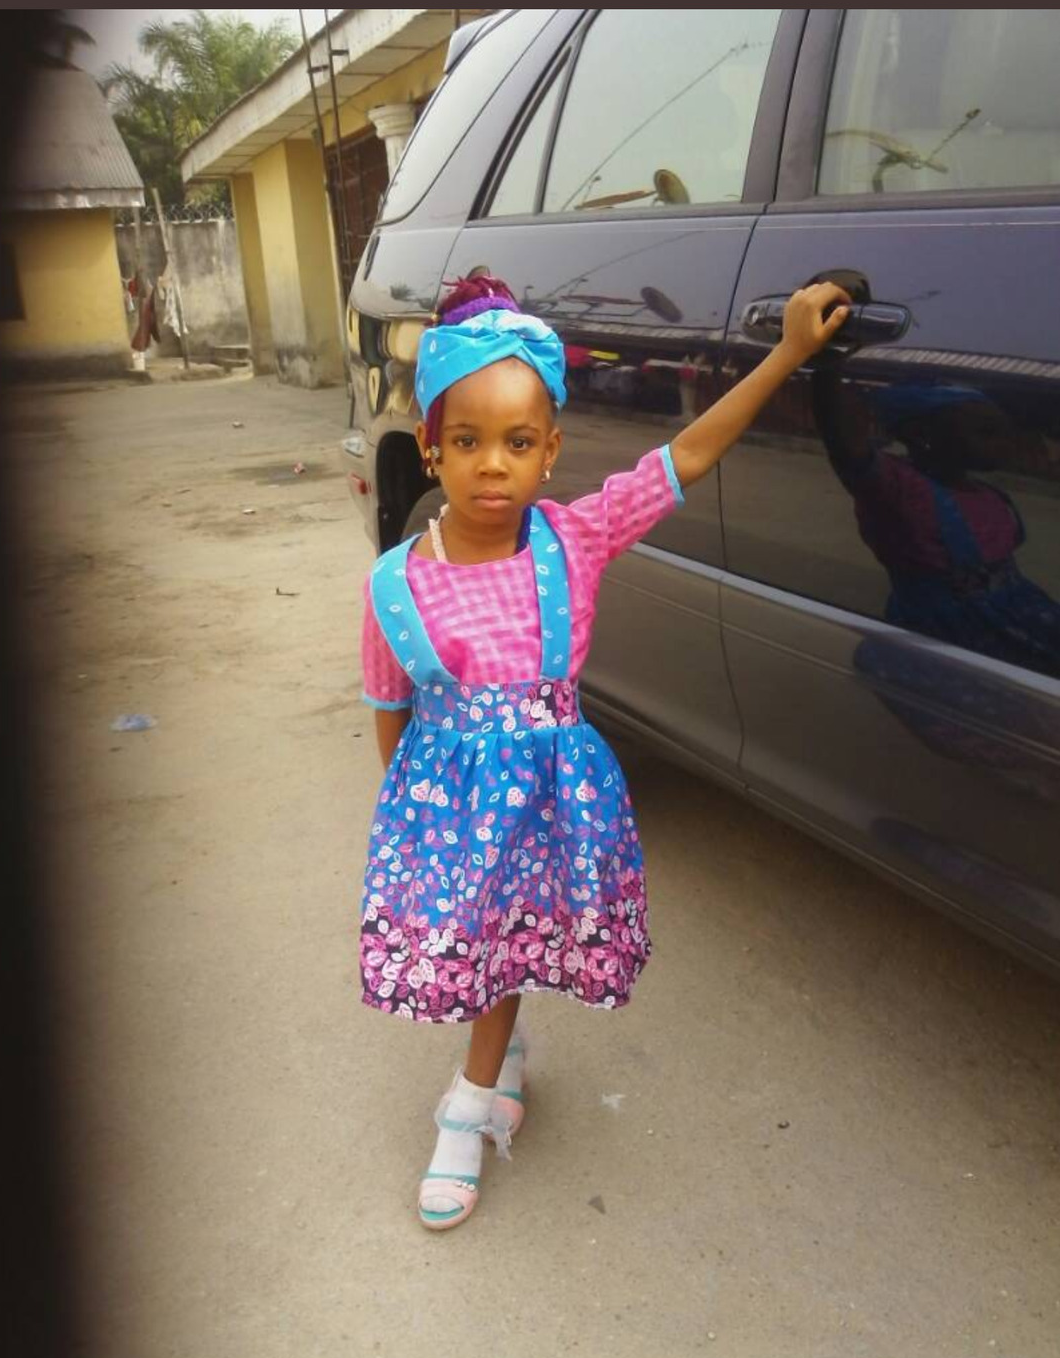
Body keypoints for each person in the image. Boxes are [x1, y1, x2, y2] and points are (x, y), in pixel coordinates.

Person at [360, 273, 850, 1229]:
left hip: (557, 804)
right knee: (484, 949)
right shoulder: (395, 585)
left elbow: (687, 455)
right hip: (453, 819)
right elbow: (390, 708)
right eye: (467, 441)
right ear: (430, 447)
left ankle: (477, 1092)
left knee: (512, 946)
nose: (491, 465)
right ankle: (486, 1081)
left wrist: (789, 352)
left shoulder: (574, 539)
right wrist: (417, 827)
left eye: (517, 442)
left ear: (550, 452)